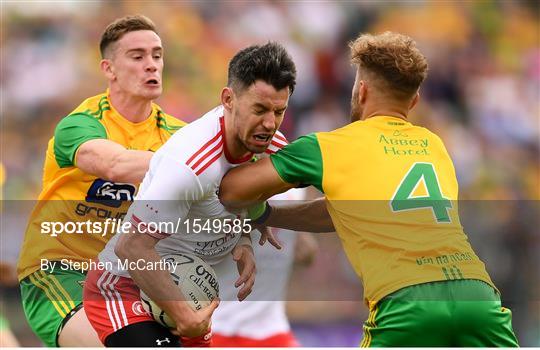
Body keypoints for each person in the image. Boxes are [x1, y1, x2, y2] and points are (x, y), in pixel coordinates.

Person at [219, 32, 519, 347]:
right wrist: (270, 215)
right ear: (413, 101)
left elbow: (233, 190)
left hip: (406, 300)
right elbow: (349, 211)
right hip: (477, 295)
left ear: (361, 91)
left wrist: (253, 206)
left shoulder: (331, 146)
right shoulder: (435, 146)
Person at [83, 42, 297, 347]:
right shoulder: (189, 162)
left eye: (279, 111)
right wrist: (182, 314)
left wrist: (243, 240)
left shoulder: (268, 147)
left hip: (185, 289)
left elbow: (230, 200)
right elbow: (131, 246)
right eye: (259, 109)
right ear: (228, 99)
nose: (270, 123)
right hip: (124, 286)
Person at [16, 15, 185, 347]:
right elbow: (116, 165)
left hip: (129, 276)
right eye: (137, 57)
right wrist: (196, 165)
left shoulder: (178, 135)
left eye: (157, 55)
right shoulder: (79, 125)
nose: (151, 65)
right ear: (109, 69)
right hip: (60, 270)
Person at [212, 189, 318, 347]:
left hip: (271, 327)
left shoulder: (298, 186)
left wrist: (301, 239)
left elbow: (300, 237)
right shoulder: (230, 181)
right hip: (218, 324)